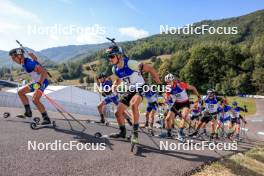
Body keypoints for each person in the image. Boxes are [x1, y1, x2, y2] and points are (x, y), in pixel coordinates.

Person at [106, 45, 161, 145]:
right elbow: (119, 79)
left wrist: (158, 82)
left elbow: (150, 69)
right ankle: (122, 132)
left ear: (119, 56)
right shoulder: (115, 69)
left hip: (141, 87)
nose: (110, 59)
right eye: (109, 57)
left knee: (133, 105)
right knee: (118, 112)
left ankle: (135, 134)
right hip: (130, 89)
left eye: (112, 56)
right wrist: (112, 87)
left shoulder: (131, 64)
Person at [9, 48, 51, 124]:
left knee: (35, 100)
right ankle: (28, 112)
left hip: (42, 81)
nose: (13, 60)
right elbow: (35, 61)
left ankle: (46, 118)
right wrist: (34, 58)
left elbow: (44, 73)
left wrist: (39, 84)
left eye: (13, 58)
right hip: (36, 82)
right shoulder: (24, 62)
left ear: (19, 56)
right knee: (21, 92)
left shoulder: (28, 64)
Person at [164, 73, 201, 141]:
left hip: (185, 103)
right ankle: (169, 133)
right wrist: (167, 100)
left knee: (184, 116)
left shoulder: (181, 84)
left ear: (173, 80)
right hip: (177, 103)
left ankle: (180, 133)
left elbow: (193, 88)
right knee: (167, 119)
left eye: (169, 82)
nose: (168, 83)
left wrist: (198, 96)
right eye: (167, 82)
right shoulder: (167, 88)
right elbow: (167, 97)